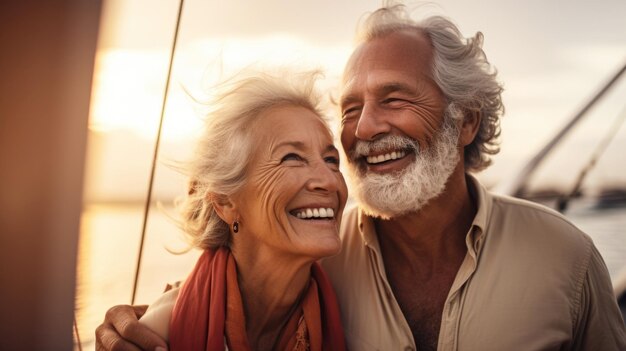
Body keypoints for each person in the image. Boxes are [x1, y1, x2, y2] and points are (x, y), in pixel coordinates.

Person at [96, 3, 626, 351]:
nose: (364, 129)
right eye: (350, 109)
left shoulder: (566, 259)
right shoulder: (317, 256)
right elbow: (225, 297)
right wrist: (137, 323)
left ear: (464, 121)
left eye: (394, 98)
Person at [97, 70, 349, 351]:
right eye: (292, 158)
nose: (329, 180)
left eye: (331, 159)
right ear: (226, 202)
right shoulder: (158, 333)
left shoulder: (353, 298)